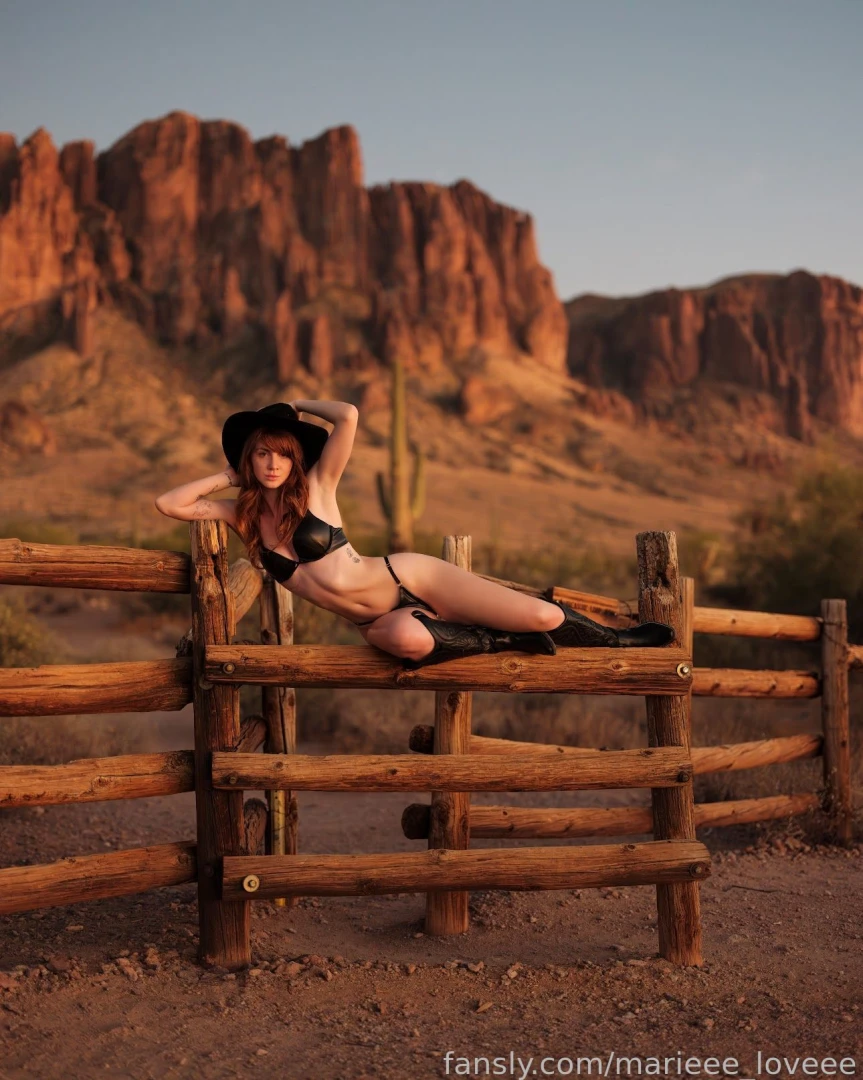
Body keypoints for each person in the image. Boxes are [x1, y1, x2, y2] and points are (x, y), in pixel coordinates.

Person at [154, 400, 674, 668]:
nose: (272, 464)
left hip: (412, 577)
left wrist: (294, 403)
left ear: (297, 461)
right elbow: (169, 504)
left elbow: (349, 416)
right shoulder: (240, 515)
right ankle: (503, 640)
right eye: (262, 454)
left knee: (542, 613)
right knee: (406, 642)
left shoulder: (318, 486)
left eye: (283, 454)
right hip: (381, 619)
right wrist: (231, 473)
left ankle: (620, 639)